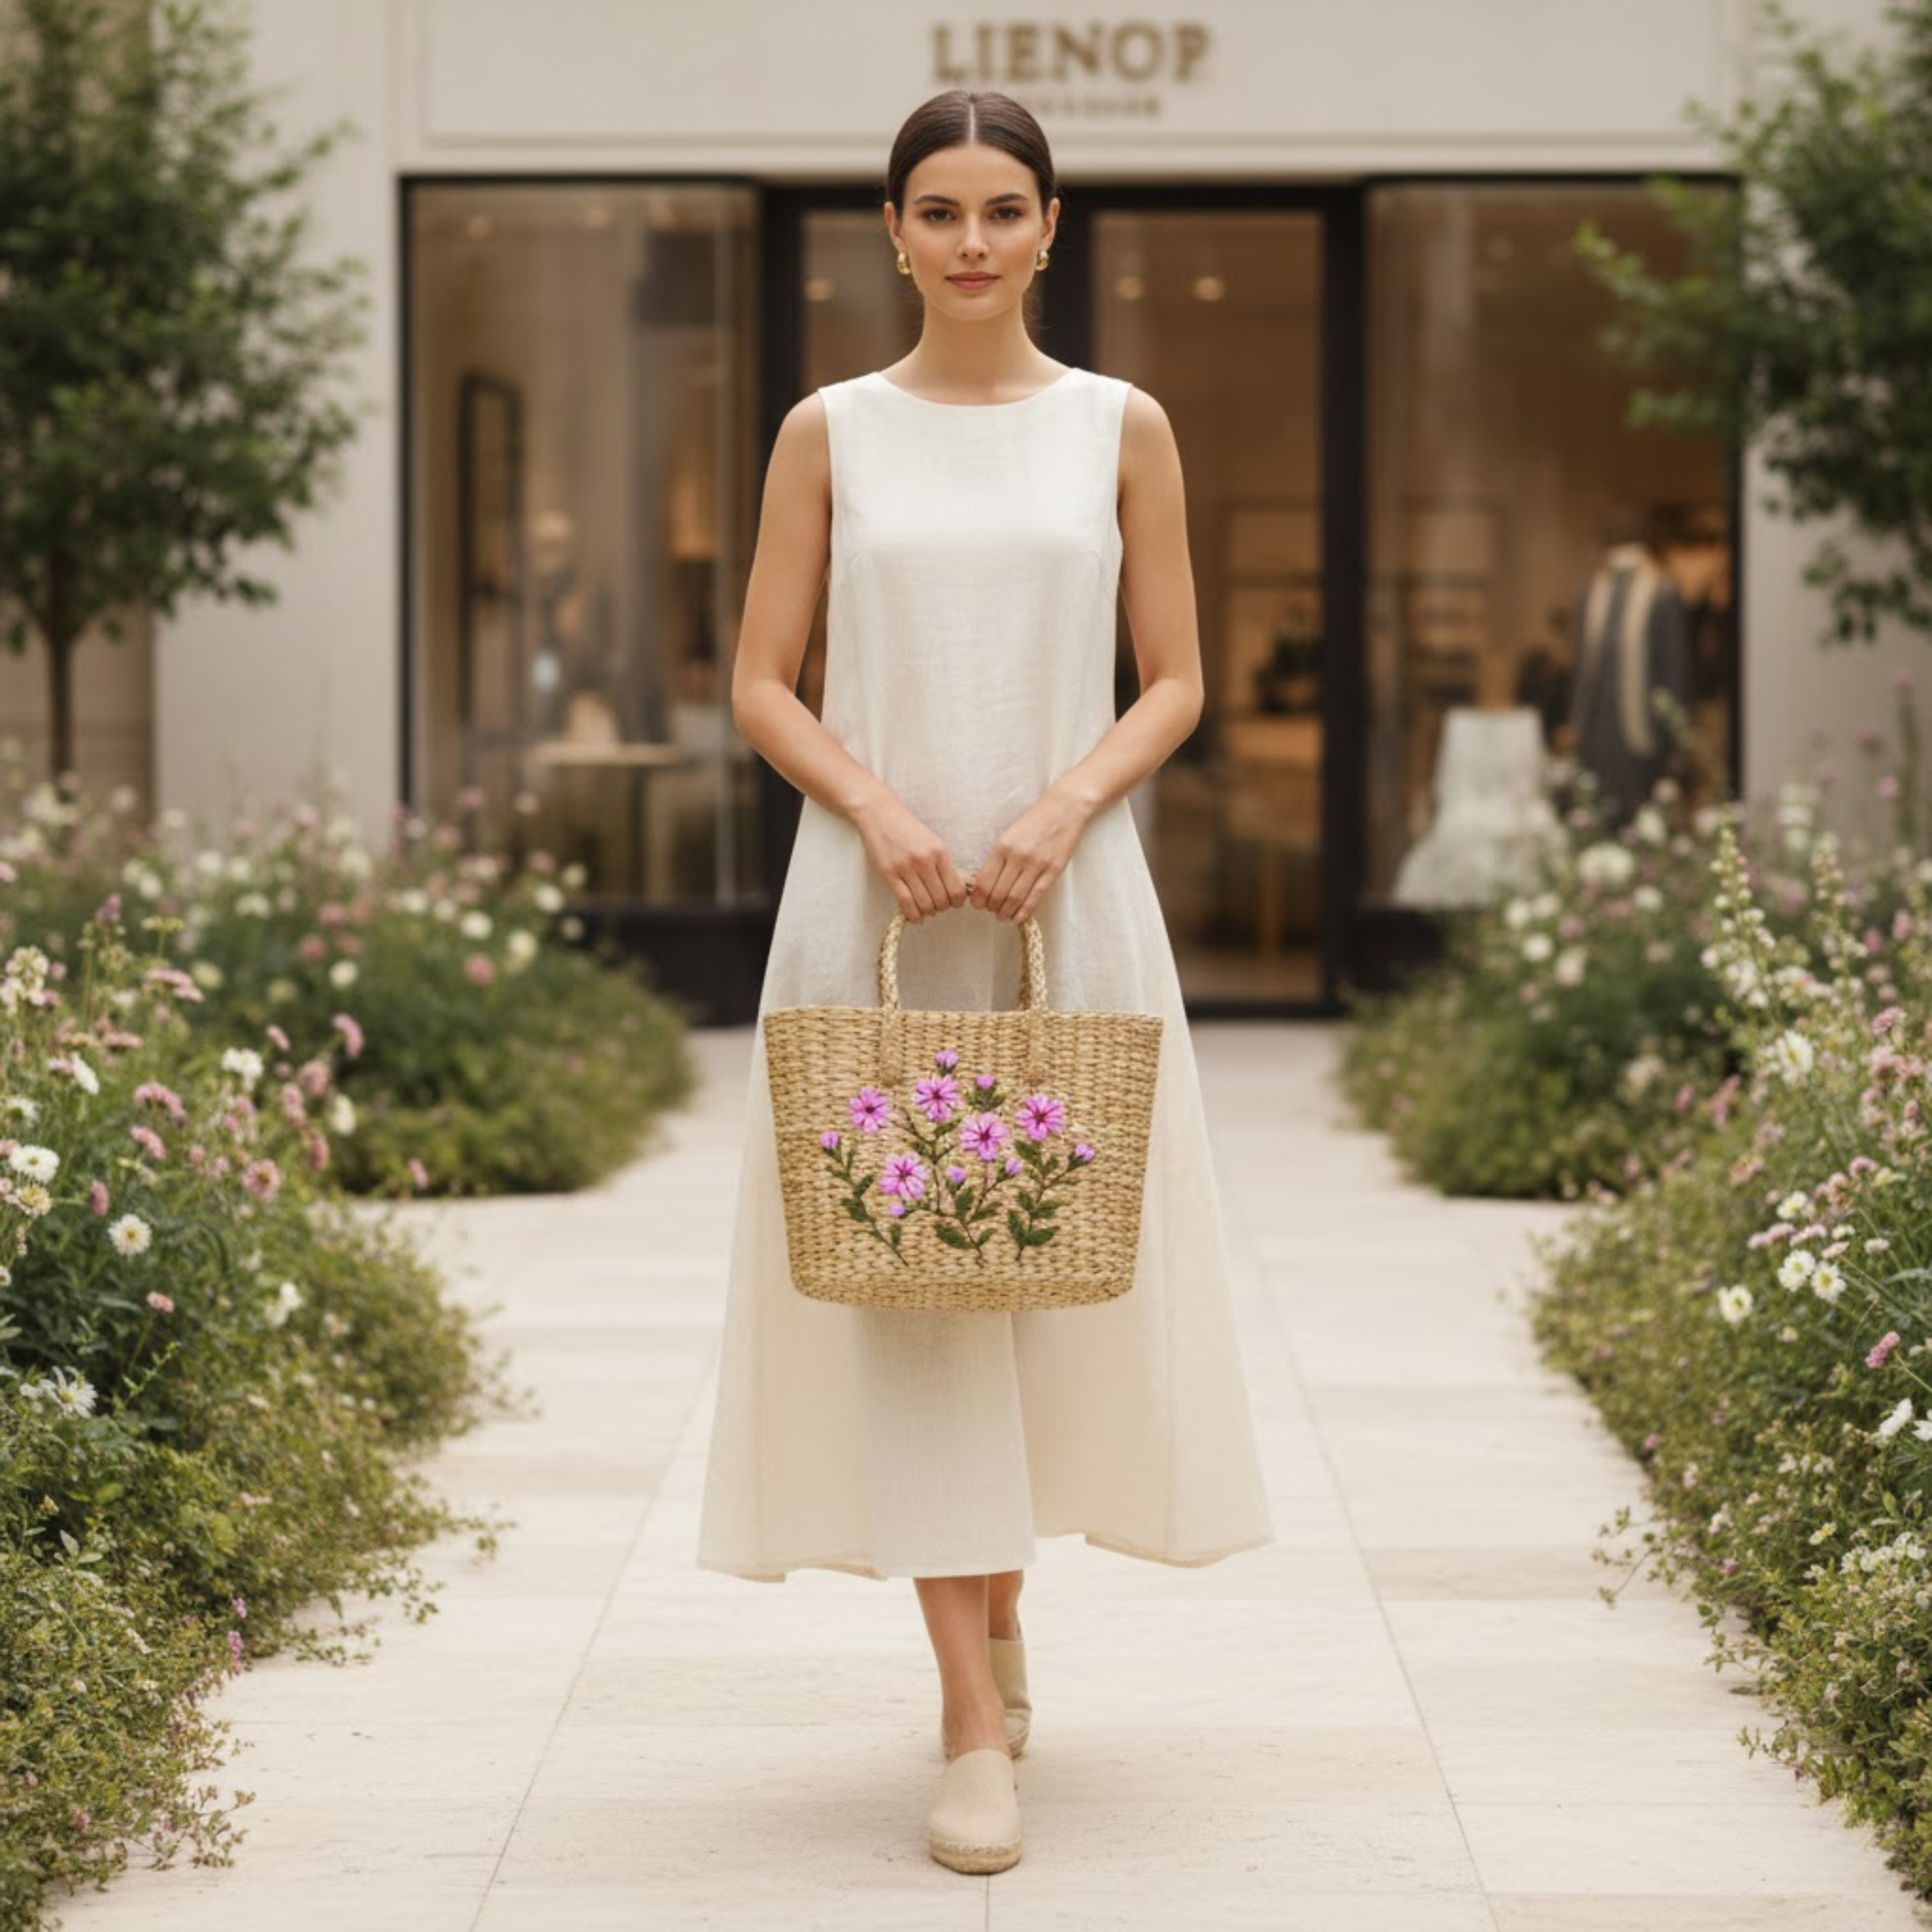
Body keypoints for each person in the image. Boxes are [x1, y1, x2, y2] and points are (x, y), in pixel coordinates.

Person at [695, 88, 1275, 1876]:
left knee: (1031, 1269)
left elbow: (1173, 676)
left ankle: (1000, 1615)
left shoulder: (1123, 425)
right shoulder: (827, 432)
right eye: (935, 210)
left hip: (1065, 901)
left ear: (1049, 226)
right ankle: (967, 1714)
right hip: (864, 915)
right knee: (907, 1285)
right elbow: (760, 680)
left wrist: (1053, 811)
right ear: (890, 230)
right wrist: (873, 805)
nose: (967, 241)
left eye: (1000, 209)